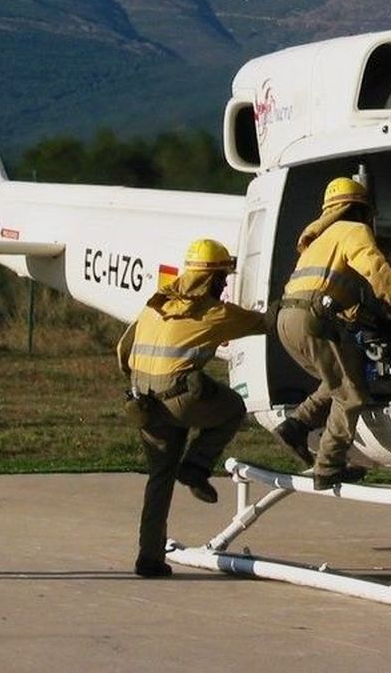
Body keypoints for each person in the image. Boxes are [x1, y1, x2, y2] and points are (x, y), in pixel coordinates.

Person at [116, 237, 265, 578]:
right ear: (209, 279)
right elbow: (263, 323)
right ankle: (196, 467)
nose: (225, 283)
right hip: (179, 400)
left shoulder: (154, 305)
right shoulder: (213, 312)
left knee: (159, 478)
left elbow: (122, 348)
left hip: (142, 405)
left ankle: (149, 558)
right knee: (233, 407)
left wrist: (141, 382)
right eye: (221, 278)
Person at [274, 177, 391, 489]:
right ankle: (329, 466)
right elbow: (373, 265)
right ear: (358, 209)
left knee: (337, 379)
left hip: (287, 319)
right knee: (351, 395)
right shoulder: (354, 230)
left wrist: (368, 319)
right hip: (311, 318)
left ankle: (295, 426)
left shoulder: (319, 239)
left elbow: (330, 289)